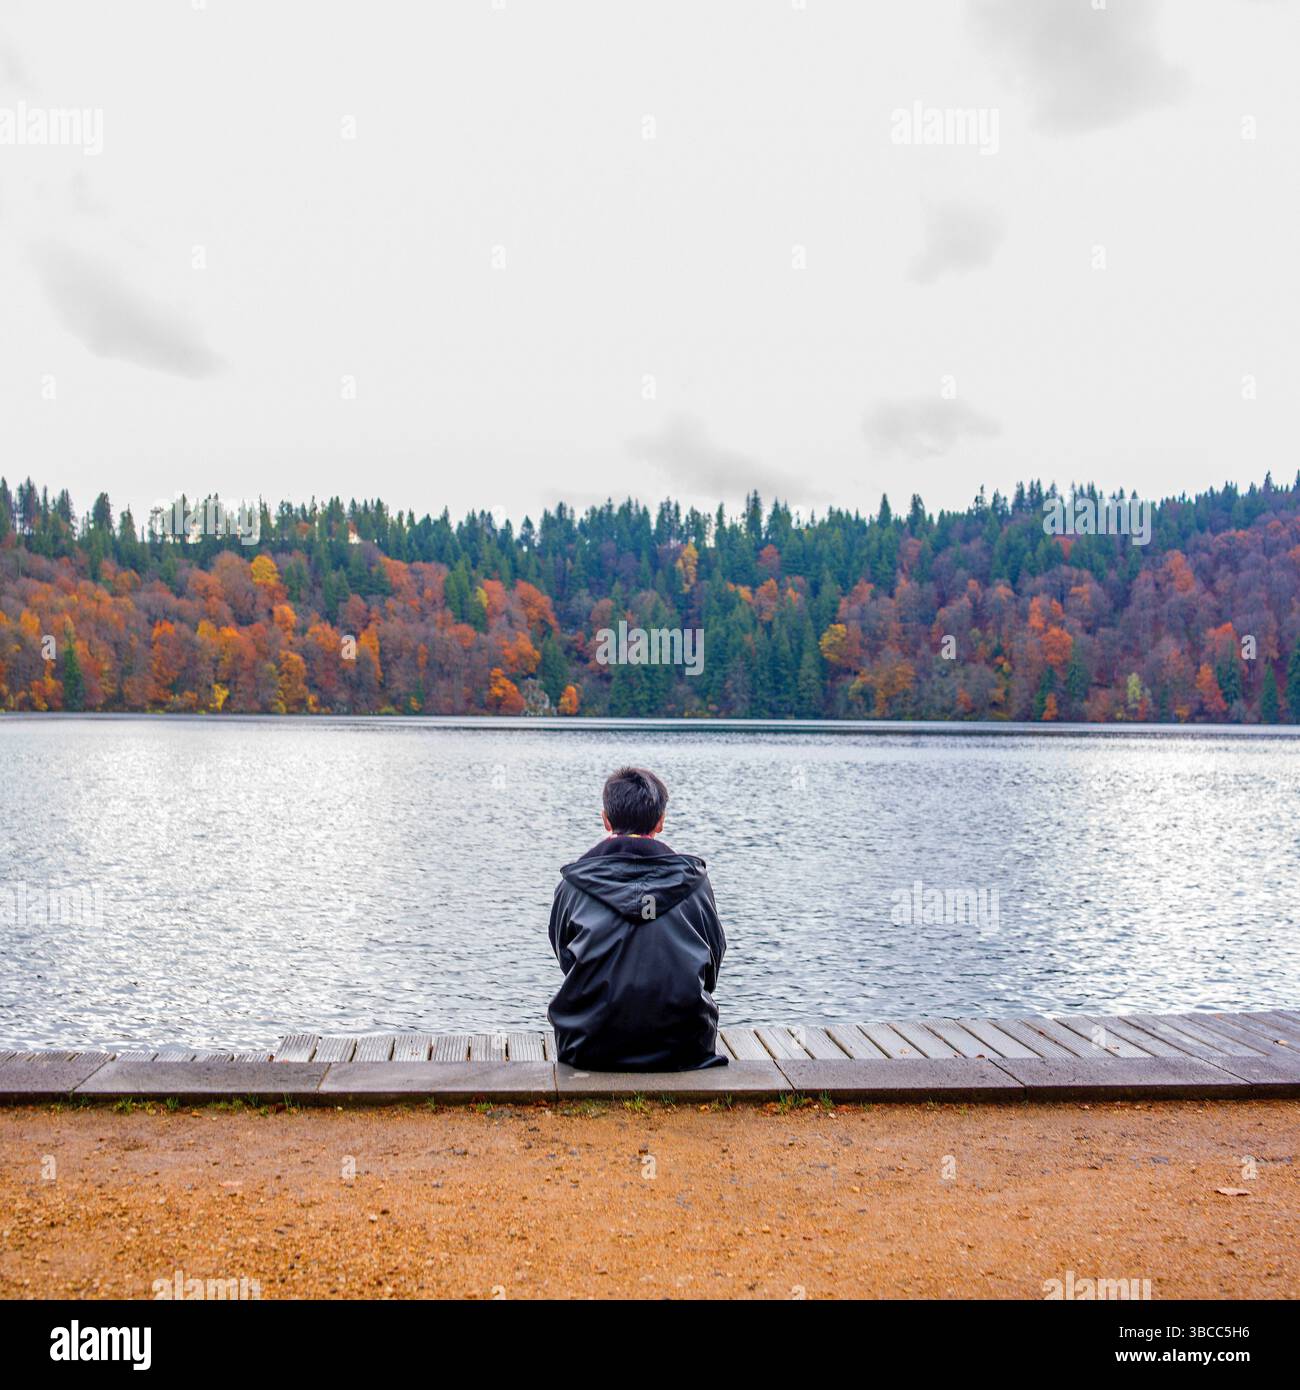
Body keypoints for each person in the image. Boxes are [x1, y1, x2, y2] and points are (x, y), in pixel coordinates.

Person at [546, 766, 727, 1071]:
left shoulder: (573, 885)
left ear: (606, 819)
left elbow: (567, 958)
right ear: (661, 822)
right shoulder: (695, 884)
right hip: (686, 1045)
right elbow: (712, 961)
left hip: (587, 1045)